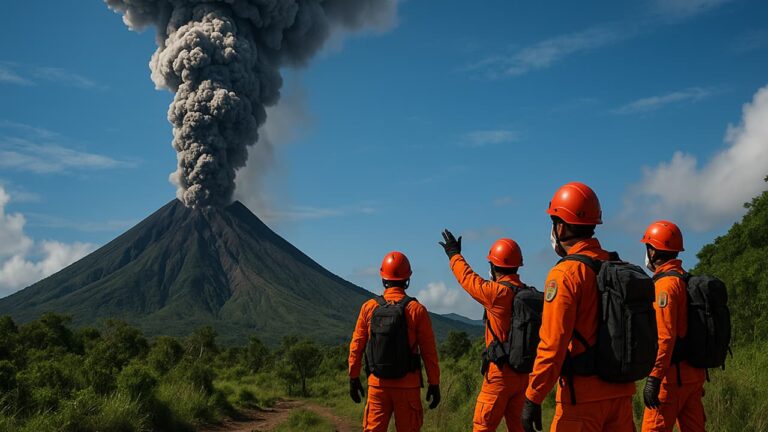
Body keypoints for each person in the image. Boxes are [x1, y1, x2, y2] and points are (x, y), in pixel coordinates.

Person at [522, 181, 636, 432]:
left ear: (560, 226)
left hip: (581, 400)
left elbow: (553, 345)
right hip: (621, 396)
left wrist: (533, 397)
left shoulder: (566, 273)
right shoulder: (617, 266)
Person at [439, 230, 531, 432]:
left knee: (483, 427)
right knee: (518, 427)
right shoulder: (528, 294)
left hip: (499, 375)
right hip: (524, 375)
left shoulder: (496, 293)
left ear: (493, 266)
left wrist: (454, 255)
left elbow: (468, 279)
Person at [348, 251, 441, 432]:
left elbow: (356, 346)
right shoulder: (417, 310)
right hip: (408, 386)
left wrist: (353, 377)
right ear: (407, 279)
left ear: (383, 278)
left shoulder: (369, 308)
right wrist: (434, 383)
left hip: (378, 385)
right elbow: (429, 352)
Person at [640, 221, 707, 432]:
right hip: (693, 378)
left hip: (670, 381)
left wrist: (654, 378)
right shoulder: (685, 280)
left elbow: (665, 337)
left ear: (653, 251)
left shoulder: (665, 286)